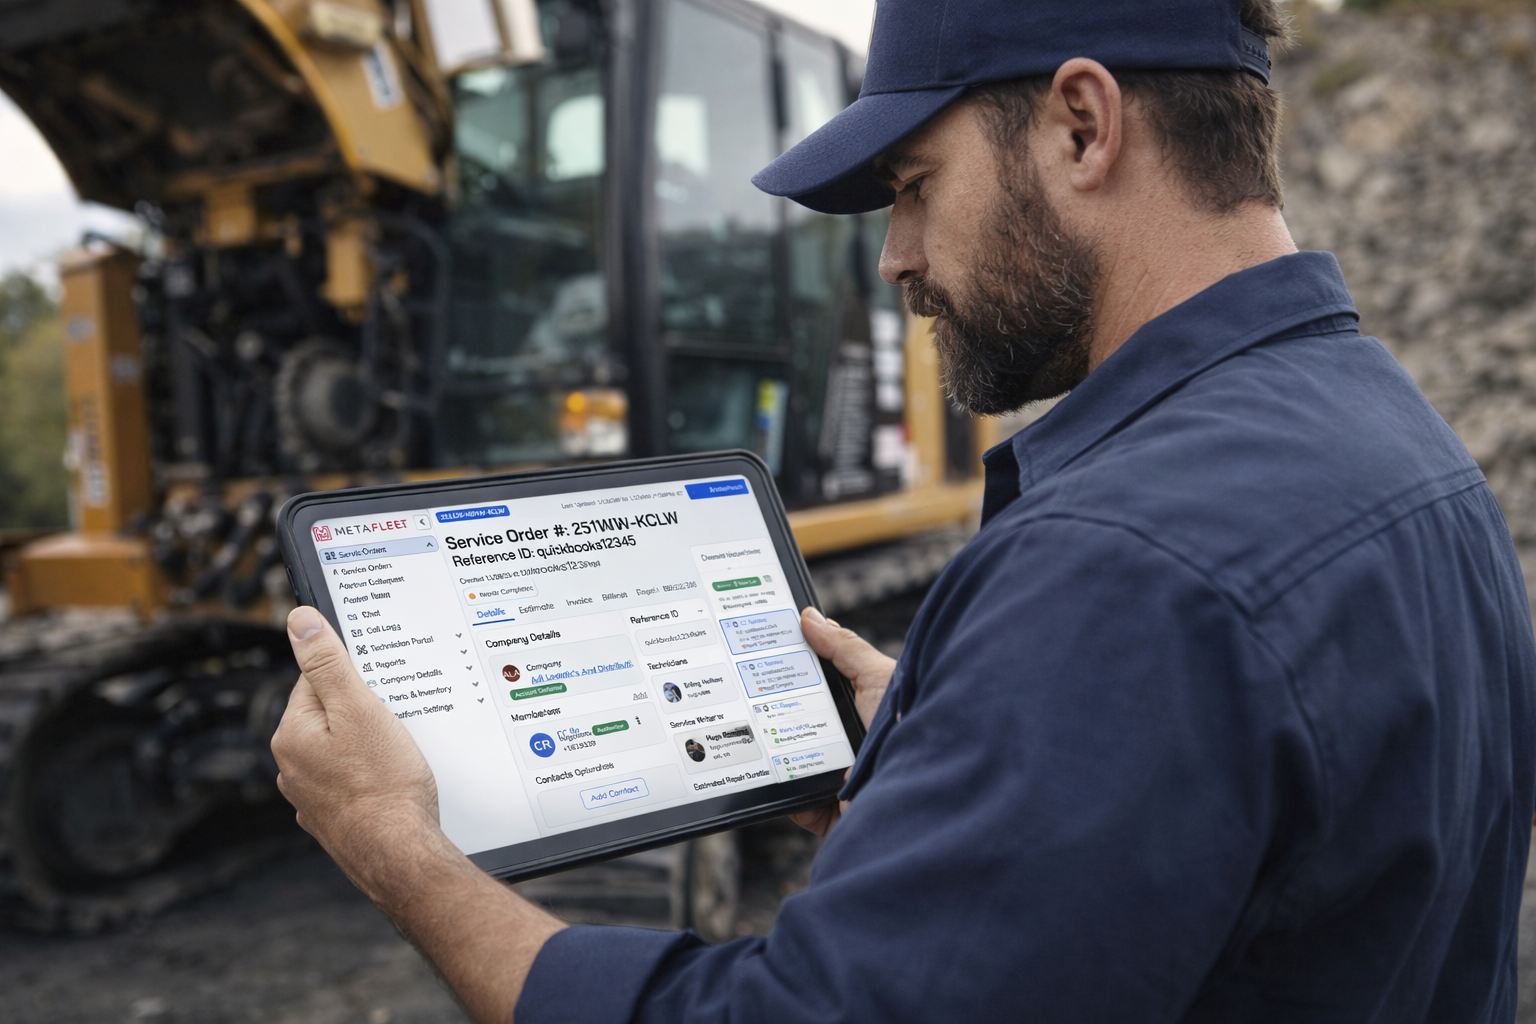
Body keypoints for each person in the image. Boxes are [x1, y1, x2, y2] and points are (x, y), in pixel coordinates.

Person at [270, 1, 1536, 1020]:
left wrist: (402, 848)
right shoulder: (1396, 440)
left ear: (1082, 127)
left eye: (916, 183)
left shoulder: (1122, 568)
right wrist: (965, 751)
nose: (897, 258)